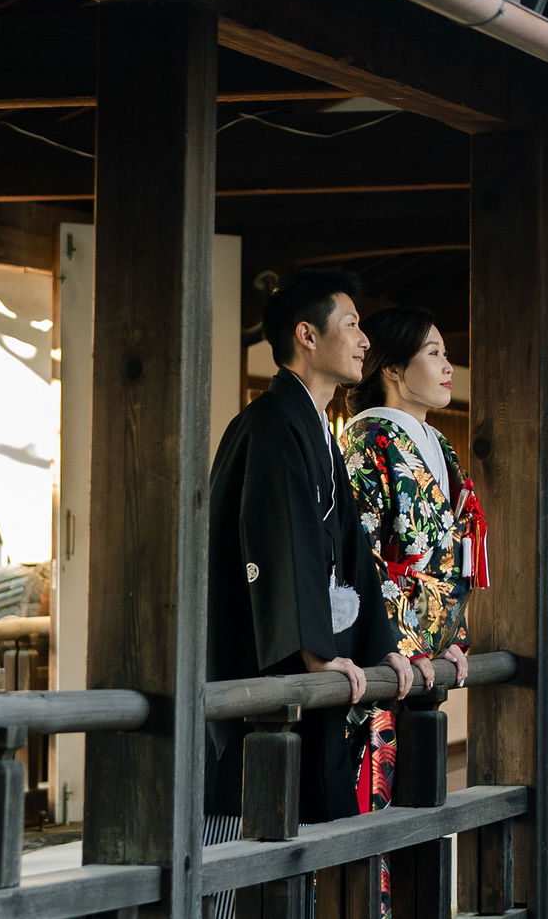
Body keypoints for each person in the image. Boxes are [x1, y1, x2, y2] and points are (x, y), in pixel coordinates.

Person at [203, 267, 414, 829]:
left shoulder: (318, 427)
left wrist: (380, 646)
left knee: (312, 823)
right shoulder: (271, 425)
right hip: (269, 659)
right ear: (307, 336)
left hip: (310, 657)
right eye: (352, 324)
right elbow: (279, 545)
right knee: (253, 823)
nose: (364, 339)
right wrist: (317, 653)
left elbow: (352, 547)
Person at [340, 306, 481, 817]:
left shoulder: (438, 443)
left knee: (420, 808)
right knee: (374, 802)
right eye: (434, 353)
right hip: (385, 656)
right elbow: (362, 551)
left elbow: (450, 555)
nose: (448, 367)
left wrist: (451, 640)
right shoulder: (367, 438)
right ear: (392, 370)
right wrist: (392, 643)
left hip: (426, 655)